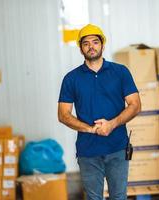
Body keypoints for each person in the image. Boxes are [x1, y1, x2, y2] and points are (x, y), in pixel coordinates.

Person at [58, 24, 141, 200]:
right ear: (81, 49)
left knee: (119, 197)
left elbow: (135, 105)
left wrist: (111, 124)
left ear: (103, 45)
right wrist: (90, 129)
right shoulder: (71, 79)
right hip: (88, 151)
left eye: (95, 42)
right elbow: (63, 114)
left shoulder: (120, 72)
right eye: (86, 43)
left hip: (117, 147)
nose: (91, 46)